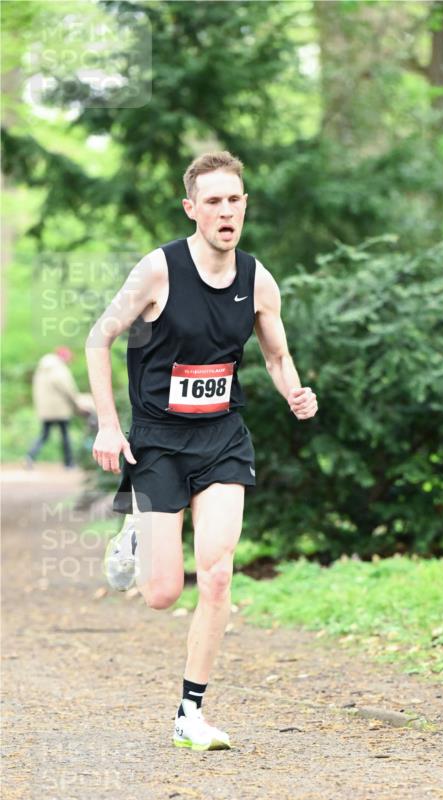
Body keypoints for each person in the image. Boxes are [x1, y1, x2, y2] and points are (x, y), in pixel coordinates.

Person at [85, 150, 317, 751]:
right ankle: (137, 530)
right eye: (212, 200)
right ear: (192, 209)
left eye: (234, 199)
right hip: (159, 443)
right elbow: (99, 338)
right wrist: (110, 426)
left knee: (216, 576)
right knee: (162, 594)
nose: (225, 210)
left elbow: (274, 355)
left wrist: (295, 392)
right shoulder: (159, 271)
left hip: (221, 439)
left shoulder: (257, 279)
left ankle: (191, 711)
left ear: (244, 206)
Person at [26, 346, 81, 468]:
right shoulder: (59, 369)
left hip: (45, 409)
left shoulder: (41, 369)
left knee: (44, 435)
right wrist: (76, 404)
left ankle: (30, 456)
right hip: (60, 409)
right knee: (65, 435)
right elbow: (68, 389)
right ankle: (69, 463)